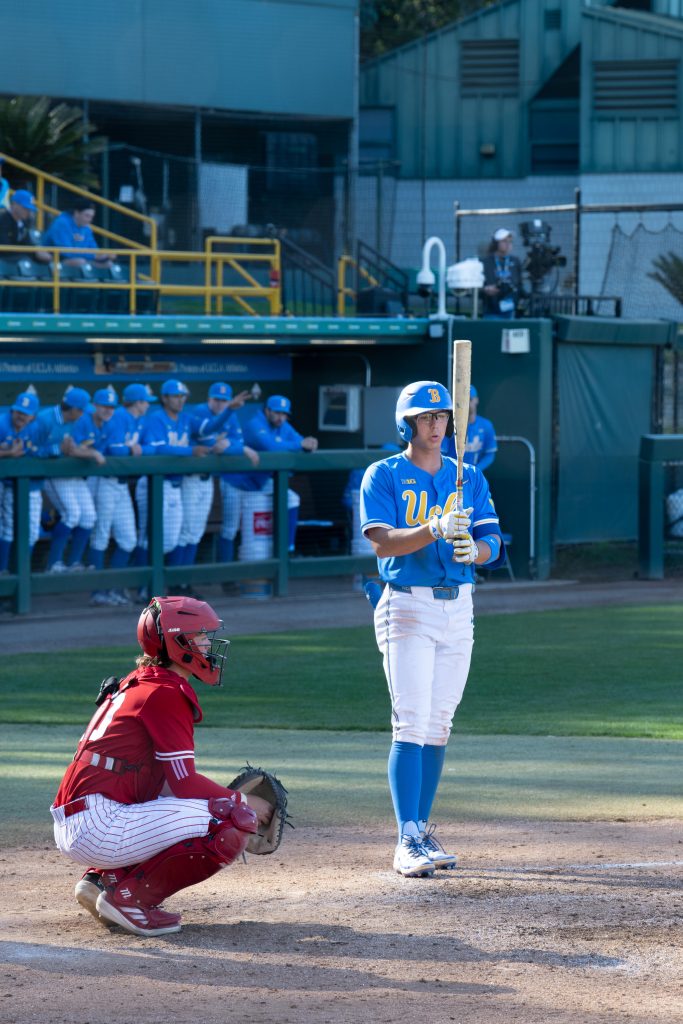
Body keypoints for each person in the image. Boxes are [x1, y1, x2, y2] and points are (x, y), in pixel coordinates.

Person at [50, 594, 273, 937]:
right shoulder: (166, 692)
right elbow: (184, 784)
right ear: (177, 641)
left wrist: (218, 796)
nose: (208, 643)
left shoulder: (141, 680)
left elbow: (165, 783)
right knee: (229, 821)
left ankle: (101, 880)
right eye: (199, 635)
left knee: (197, 803)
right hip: (99, 824)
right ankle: (128, 900)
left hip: (85, 816)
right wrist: (241, 803)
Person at [359, 380, 506, 878]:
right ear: (407, 424)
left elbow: (493, 542)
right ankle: (405, 840)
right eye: (426, 418)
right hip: (407, 607)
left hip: (458, 607)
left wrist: (476, 552)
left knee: (439, 723)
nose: (436, 425)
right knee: (412, 721)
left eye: (442, 416)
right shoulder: (384, 474)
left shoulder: (469, 476)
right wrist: (434, 529)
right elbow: (382, 543)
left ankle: (421, 829)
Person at [173, 381, 259, 573]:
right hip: (191, 479)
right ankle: (174, 581)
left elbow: (236, 442)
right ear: (209, 399)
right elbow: (213, 444)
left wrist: (233, 445)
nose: (220, 404)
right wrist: (235, 447)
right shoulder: (199, 411)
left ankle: (184, 581)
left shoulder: (231, 415)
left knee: (195, 532)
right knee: (185, 532)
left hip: (208, 480)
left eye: (224, 401)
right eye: (216, 399)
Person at [33, 386, 96, 572]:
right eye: (82, 410)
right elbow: (32, 451)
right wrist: (57, 450)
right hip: (54, 474)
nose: (84, 414)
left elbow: (75, 444)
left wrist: (78, 449)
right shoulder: (44, 420)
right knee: (72, 514)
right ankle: (53, 564)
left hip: (72, 473)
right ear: (74, 409)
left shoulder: (78, 420)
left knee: (89, 517)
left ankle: (74, 562)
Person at [0, 390, 41, 573]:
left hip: (18, 485)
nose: (20, 416)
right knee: (6, 528)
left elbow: (46, 451)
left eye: (25, 413)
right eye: (18, 411)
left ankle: (20, 574)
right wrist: (8, 453)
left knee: (29, 531)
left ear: (32, 416)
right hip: (7, 483)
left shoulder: (36, 429)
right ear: (12, 411)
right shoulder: (1, 424)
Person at [42, 197, 114, 268]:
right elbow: (66, 252)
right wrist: (93, 256)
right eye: (87, 216)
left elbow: (93, 249)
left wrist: (103, 255)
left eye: (91, 217)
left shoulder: (86, 228)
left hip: (83, 259)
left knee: (108, 264)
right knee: (80, 262)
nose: (90, 220)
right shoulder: (61, 223)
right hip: (56, 260)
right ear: (76, 213)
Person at [441, 385, 497, 473]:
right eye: (463, 400)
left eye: (469, 399)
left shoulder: (486, 425)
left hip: (474, 476)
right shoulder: (449, 425)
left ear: (476, 400)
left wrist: (475, 470)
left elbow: (490, 454)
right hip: (452, 475)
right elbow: (441, 454)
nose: (466, 403)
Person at [482, 228, 523, 319]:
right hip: (491, 310)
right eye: (504, 241)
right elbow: (478, 286)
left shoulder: (515, 261)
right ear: (496, 244)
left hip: (510, 309)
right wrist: (485, 289)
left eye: (510, 242)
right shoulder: (486, 262)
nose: (508, 244)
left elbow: (519, 284)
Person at [0, 190, 51, 263]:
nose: (28, 212)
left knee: (45, 261)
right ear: (14, 204)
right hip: (4, 259)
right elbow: (5, 248)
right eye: (25, 208)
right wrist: (32, 252)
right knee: (25, 260)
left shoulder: (24, 221)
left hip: (17, 257)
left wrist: (37, 251)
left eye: (30, 209)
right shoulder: (3, 220)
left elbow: (27, 242)